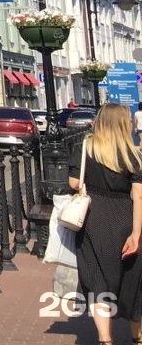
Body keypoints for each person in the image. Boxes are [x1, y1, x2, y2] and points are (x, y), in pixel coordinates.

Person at [68, 101, 142, 345]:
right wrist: (136, 234)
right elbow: (139, 196)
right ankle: (136, 336)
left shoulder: (85, 147)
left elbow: (73, 183)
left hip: (93, 218)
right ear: (123, 124)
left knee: (97, 277)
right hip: (125, 216)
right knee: (133, 279)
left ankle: (105, 339)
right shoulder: (133, 154)